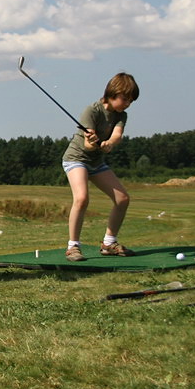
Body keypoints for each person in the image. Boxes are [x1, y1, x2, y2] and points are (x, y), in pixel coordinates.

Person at [62, 73, 140, 262]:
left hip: (96, 163)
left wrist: (109, 144)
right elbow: (88, 147)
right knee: (81, 198)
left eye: (131, 100)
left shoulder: (121, 115)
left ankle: (109, 243)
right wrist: (92, 140)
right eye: (125, 98)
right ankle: (73, 247)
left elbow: (117, 135)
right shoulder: (92, 111)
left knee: (122, 198)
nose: (128, 103)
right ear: (113, 93)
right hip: (76, 159)